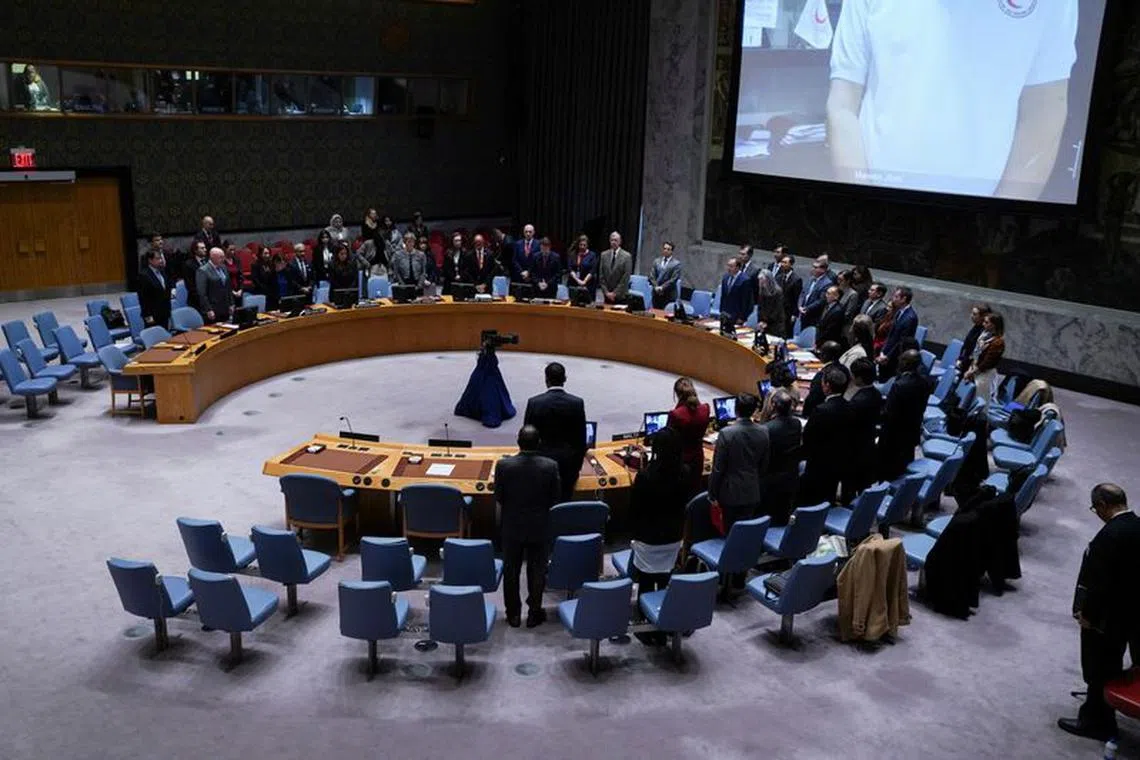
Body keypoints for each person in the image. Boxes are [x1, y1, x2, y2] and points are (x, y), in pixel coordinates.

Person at [826, 0, 1078, 201]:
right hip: (878, 191)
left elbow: (1045, 110)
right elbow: (842, 104)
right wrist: (864, 202)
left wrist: (999, 215)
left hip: (982, 205)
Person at [1057, 484, 1140, 742]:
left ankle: (1096, 721)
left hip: (1105, 618)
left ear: (1103, 505)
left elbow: (1098, 585)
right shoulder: (1137, 526)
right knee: (1113, 663)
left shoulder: (1108, 537)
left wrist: (1087, 615)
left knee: (1097, 666)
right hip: (1130, 613)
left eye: (1095, 508)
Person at [494, 425, 562, 629]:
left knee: (511, 571)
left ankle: (513, 614)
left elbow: (499, 496)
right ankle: (534, 613)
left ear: (518, 442)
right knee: (537, 571)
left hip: (512, 526)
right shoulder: (550, 466)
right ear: (539, 443)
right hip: (539, 526)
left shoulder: (504, 465)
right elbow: (555, 497)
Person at [627, 426, 689, 644]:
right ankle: (663, 622)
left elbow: (634, 509)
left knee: (645, 582)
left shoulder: (645, 476)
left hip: (648, 539)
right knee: (664, 579)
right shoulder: (685, 472)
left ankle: (646, 627)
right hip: (673, 538)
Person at [708, 393, 769, 589]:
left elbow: (718, 468)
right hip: (752, 490)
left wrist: (712, 493)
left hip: (730, 492)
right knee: (746, 535)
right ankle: (739, 578)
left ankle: (726, 578)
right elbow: (764, 464)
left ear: (736, 409)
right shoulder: (763, 431)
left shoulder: (727, 433)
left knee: (731, 536)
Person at [523, 362, 588, 500]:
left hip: (540, 465)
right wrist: (576, 467)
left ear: (546, 379)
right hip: (568, 466)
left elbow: (527, 436)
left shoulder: (534, 403)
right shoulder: (577, 403)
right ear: (565, 379)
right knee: (564, 501)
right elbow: (581, 439)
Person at [799, 365, 853, 506]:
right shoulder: (850, 407)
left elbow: (808, 438)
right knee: (827, 497)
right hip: (837, 462)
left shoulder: (821, 410)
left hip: (817, 464)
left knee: (811, 501)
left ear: (827, 386)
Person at [877, 350, 930, 480]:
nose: (898, 361)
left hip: (893, 435)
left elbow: (889, 413)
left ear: (905, 363)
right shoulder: (924, 382)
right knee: (904, 466)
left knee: (888, 471)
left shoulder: (899, 385)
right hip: (912, 431)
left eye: (901, 359)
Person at [760, 389, 802, 526]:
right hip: (790, 476)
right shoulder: (796, 423)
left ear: (772, 406)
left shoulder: (767, 428)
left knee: (768, 519)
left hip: (771, 480)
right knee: (783, 516)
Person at [843, 358, 882, 501]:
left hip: (854, 449)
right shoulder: (876, 394)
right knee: (863, 482)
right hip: (868, 443)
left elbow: (848, 425)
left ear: (859, 378)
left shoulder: (858, 401)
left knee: (851, 484)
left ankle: (848, 508)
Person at [666, 377, 711, 496]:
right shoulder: (705, 409)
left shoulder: (676, 414)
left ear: (677, 394)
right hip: (698, 456)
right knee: (694, 489)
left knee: (680, 493)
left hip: (681, 460)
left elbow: (668, 437)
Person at [964, 311, 1005, 413]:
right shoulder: (984, 335)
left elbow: (987, 362)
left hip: (984, 375)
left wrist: (972, 372)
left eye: (986, 322)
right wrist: (970, 368)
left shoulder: (998, 343)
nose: (983, 324)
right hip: (975, 369)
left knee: (980, 402)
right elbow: (976, 354)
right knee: (968, 400)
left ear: (994, 325)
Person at [876, 286, 918, 379]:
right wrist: (883, 351)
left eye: (896, 296)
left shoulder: (910, 318)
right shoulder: (899, 312)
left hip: (895, 357)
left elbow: (901, 341)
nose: (893, 299)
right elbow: (890, 335)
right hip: (887, 352)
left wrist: (887, 356)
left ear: (904, 299)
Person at [801, 341, 848, 418]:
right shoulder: (845, 370)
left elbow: (812, 399)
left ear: (825, 355)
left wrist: (804, 414)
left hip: (819, 414)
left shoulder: (823, 374)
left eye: (821, 352)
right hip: (840, 409)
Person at [196, 247, 234, 324]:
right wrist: (208, 309)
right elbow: (202, 293)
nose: (223, 259)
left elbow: (228, 287)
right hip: (213, 309)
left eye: (223, 257)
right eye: (221, 257)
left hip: (225, 307)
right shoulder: (203, 271)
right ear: (213, 257)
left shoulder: (223, 267)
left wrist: (231, 303)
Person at [137, 249, 171, 329]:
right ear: (150, 260)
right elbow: (143, 298)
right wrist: (148, 316)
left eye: (161, 258)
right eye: (157, 258)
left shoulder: (162, 272)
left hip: (164, 312)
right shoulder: (144, 275)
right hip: (152, 315)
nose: (160, 261)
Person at [798, 255, 836, 328]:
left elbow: (821, 300)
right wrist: (799, 306)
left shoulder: (827, 283)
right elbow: (803, 293)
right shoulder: (811, 279)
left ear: (823, 270)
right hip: (802, 313)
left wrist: (807, 309)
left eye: (815, 268)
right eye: (813, 267)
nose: (812, 269)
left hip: (813, 316)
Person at [598, 231, 632, 305]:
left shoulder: (627, 256)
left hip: (620, 296)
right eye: (612, 240)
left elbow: (625, 278)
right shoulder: (604, 255)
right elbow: (601, 276)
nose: (613, 242)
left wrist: (614, 293)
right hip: (607, 296)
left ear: (620, 242)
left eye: (616, 240)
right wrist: (606, 292)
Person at [958, 303, 993, 375]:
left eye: (974, 314)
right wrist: (960, 359)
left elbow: (976, 352)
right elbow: (966, 345)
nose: (971, 316)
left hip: (972, 369)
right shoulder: (975, 327)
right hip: (965, 364)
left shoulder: (985, 333)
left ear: (982, 317)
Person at [719, 257, 755, 325]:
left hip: (737, 316)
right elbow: (723, 296)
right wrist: (721, 311)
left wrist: (742, 317)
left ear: (738, 268)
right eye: (728, 265)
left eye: (731, 266)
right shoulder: (725, 277)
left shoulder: (745, 280)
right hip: (725, 314)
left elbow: (746, 301)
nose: (728, 268)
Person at [774, 253, 803, 337]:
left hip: (788, 313)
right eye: (782, 262)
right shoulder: (778, 277)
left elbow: (796, 298)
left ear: (791, 264)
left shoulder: (796, 279)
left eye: (785, 262)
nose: (782, 264)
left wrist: (794, 314)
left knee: (785, 334)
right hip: (778, 311)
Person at [649, 241, 683, 309]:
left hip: (668, 294)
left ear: (672, 251)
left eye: (668, 249)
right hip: (656, 294)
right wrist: (656, 287)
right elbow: (652, 276)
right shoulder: (656, 261)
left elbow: (673, 279)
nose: (666, 251)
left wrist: (662, 288)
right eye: (664, 248)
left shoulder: (676, 264)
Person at [566, 234, 598, 300]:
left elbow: (592, 271)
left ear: (587, 245)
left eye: (584, 245)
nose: (582, 247)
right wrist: (577, 280)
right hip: (573, 283)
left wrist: (584, 281)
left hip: (588, 285)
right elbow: (570, 269)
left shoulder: (592, 255)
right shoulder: (572, 254)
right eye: (581, 245)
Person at [755, 269, 785, 337]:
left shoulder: (778, 292)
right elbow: (760, 308)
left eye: (762, 279)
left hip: (775, 324)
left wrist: (766, 322)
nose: (760, 282)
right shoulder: (761, 290)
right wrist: (760, 321)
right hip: (764, 323)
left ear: (768, 279)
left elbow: (777, 310)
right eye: (759, 279)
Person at [181, 241, 210, 312]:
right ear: (195, 250)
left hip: (210, 300)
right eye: (202, 248)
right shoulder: (188, 265)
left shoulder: (208, 261)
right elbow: (190, 286)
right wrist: (203, 298)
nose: (205, 250)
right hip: (196, 302)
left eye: (205, 247)